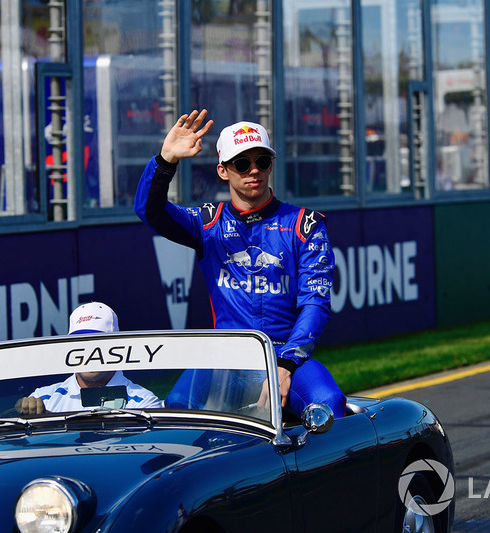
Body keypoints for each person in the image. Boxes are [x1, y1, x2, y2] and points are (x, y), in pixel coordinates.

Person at [134, 109, 346, 419]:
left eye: (262, 161)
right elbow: (150, 211)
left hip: (286, 357)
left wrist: (286, 366)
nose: (254, 171)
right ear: (223, 171)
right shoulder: (207, 224)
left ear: (271, 165)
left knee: (328, 405)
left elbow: (316, 304)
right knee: (178, 407)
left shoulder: (305, 224)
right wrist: (166, 162)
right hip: (226, 360)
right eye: (242, 163)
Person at [15, 302, 163, 414]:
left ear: (117, 345)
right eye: (80, 343)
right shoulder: (43, 399)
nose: (89, 353)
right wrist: (18, 410)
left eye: (97, 342)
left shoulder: (144, 404)